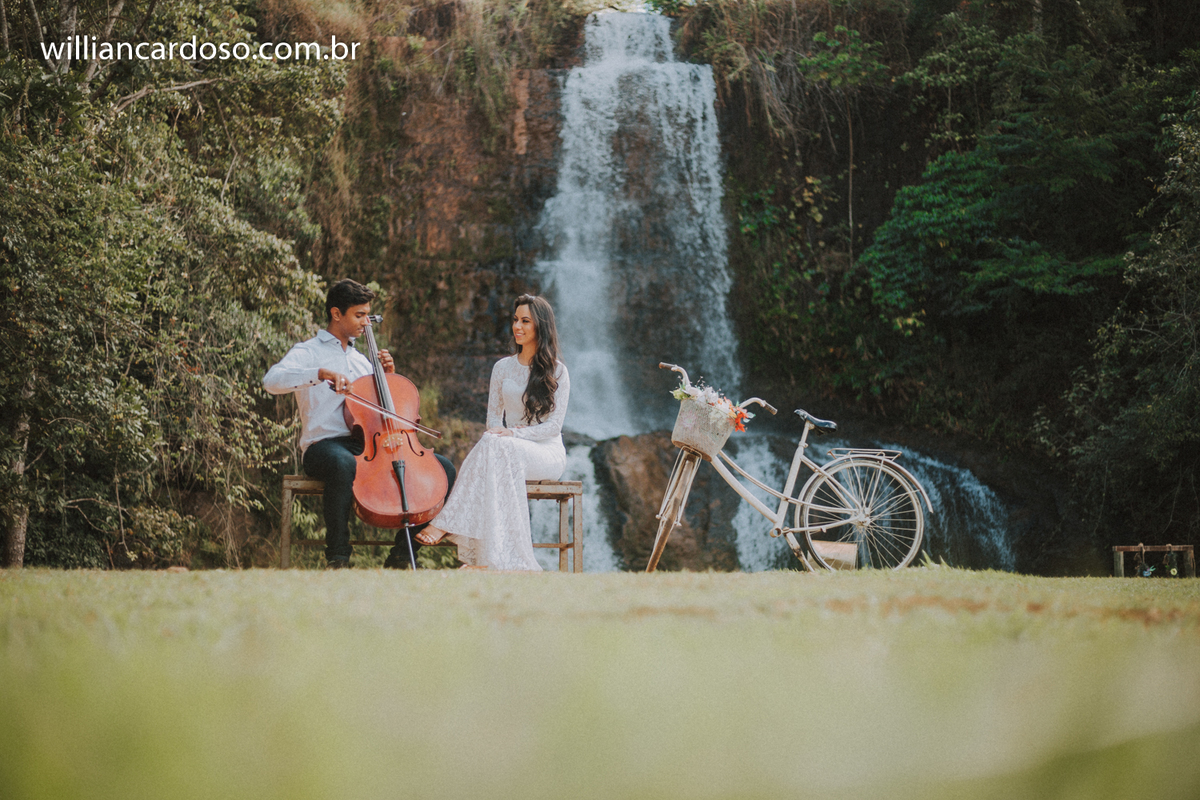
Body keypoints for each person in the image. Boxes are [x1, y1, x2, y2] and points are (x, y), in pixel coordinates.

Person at [262, 279, 455, 569]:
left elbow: (382, 413)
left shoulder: (363, 361)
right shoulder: (308, 351)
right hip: (323, 447)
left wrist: (387, 376)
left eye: (368, 315)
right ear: (336, 313)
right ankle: (338, 557)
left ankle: (402, 556)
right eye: (359, 315)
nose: (366, 323)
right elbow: (272, 381)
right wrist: (320, 373)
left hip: (366, 446)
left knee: (443, 468)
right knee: (343, 464)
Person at [415, 295, 569, 570]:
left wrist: (516, 435)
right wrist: (504, 434)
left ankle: (445, 523)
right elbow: (493, 419)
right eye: (515, 320)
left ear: (541, 327)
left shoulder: (557, 371)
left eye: (525, 321)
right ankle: (489, 559)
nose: (517, 327)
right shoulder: (502, 367)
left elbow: (554, 426)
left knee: (498, 446)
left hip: (546, 452)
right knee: (492, 440)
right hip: (509, 450)